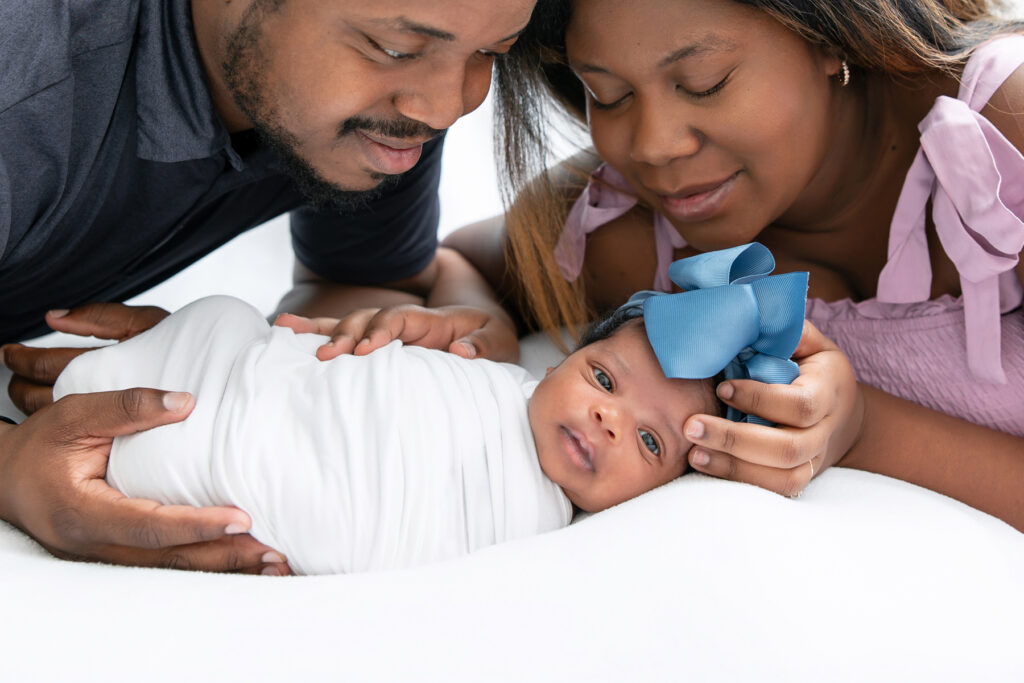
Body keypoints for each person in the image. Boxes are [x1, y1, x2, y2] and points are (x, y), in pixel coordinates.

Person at [438, 0, 1024, 529]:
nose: (653, 146)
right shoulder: (627, 231)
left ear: (829, 32)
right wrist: (481, 327)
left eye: (704, 82)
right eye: (608, 95)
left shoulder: (1006, 126)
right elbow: (454, 261)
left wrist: (865, 428)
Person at [0, 0, 538, 574]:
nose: (444, 107)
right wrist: (9, 465)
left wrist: (257, 374)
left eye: (491, 53)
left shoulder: (389, 115)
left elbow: (360, 279)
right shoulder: (26, 79)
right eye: (396, 50)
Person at [52, 244, 803, 574]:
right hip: (280, 388)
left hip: (294, 487)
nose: (609, 418)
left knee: (200, 462)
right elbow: (357, 382)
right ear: (569, 357)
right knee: (225, 327)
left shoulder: (539, 539)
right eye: (604, 380)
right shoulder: (494, 379)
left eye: (647, 439)